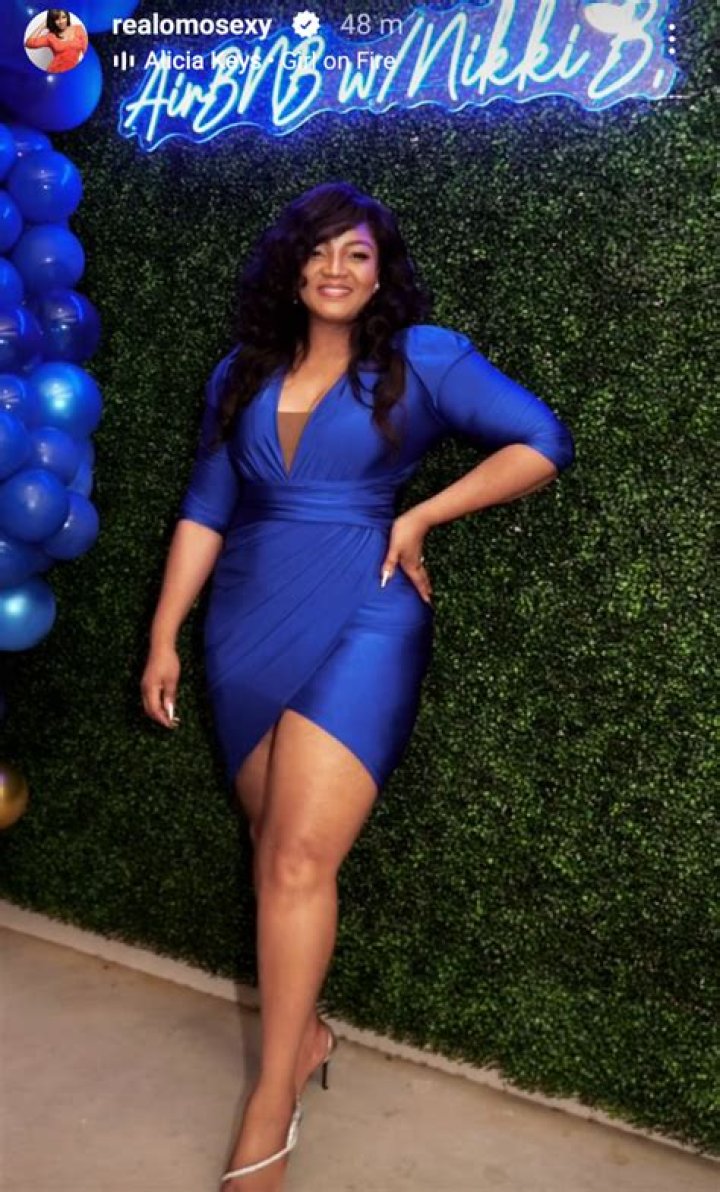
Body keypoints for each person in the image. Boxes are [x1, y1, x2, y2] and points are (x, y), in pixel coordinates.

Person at [140, 181, 576, 1190]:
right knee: (272, 845)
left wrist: (419, 517)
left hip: (367, 610)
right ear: (290, 266)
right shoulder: (240, 372)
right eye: (318, 251)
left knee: (298, 858)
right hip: (245, 618)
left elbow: (541, 443)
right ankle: (307, 1038)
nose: (335, 269)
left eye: (358, 254)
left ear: (382, 274)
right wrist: (163, 636)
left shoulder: (423, 358)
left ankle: (271, 1100)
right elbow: (204, 509)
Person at [24, 9, 87, 74]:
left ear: (67, 17)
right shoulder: (50, 36)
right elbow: (28, 43)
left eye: (64, 17)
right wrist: (42, 26)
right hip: (56, 71)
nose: (61, 21)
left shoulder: (78, 29)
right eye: (57, 19)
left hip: (74, 72)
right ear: (52, 20)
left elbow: (86, 51)